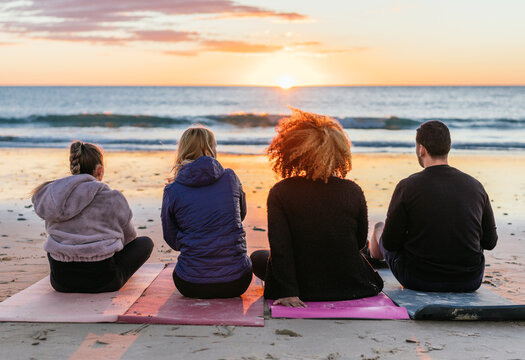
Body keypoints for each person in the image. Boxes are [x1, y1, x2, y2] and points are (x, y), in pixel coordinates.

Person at [250, 108, 384, 307]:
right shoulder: (352, 190)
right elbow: (358, 243)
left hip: (302, 288)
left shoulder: (281, 192)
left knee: (258, 258)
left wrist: (288, 292)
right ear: (339, 152)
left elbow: (281, 248)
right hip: (353, 285)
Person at [368, 120, 498, 292]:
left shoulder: (407, 186)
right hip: (469, 280)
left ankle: (373, 258)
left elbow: (391, 243)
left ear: (422, 149)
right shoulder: (475, 185)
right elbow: (490, 242)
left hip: (419, 279)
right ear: (448, 147)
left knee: (379, 228)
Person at [32, 141, 153, 293]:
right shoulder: (113, 198)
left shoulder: (55, 197)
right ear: (99, 170)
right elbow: (129, 239)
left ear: (73, 168)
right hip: (103, 281)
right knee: (145, 243)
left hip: (61, 281)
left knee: (56, 241)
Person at [161, 127, 252, 299]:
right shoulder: (230, 178)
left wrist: (193, 240)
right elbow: (241, 214)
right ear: (211, 148)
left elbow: (171, 238)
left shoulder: (172, 189)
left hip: (190, 284)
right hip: (237, 282)